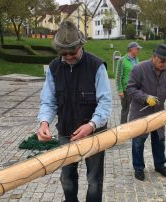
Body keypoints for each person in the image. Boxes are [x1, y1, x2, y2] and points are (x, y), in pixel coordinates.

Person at [37, 21, 112, 202]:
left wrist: (91, 125)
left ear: (81, 45)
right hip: (65, 132)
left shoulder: (96, 66)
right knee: (67, 178)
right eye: (64, 53)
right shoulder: (54, 68)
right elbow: (49, 101)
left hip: (94, 134)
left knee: (94, 180)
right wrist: (44, 123)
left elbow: (105, 103)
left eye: (73, 52)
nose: (69, 56)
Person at [127, 44, 166, 181]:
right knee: (138, 142)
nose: (165, 64)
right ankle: (139, 168)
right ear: (153, 57)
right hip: (140, 114)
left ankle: (160, 165)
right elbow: (130, 89)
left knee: (159, 141)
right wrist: (146, 98)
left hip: (158, 113)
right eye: (162, 60)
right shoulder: (139, 69)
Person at [115, 42, 142, 124]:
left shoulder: (137, 60)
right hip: (125, 90)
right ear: (131, 49)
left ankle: (134, 126)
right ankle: (122, 127)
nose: (138, 50)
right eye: (137, 48)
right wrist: (120, 90)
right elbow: (118, 76)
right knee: (125, 110)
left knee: (136, 109)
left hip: (136, 90)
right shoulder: (122, 60)